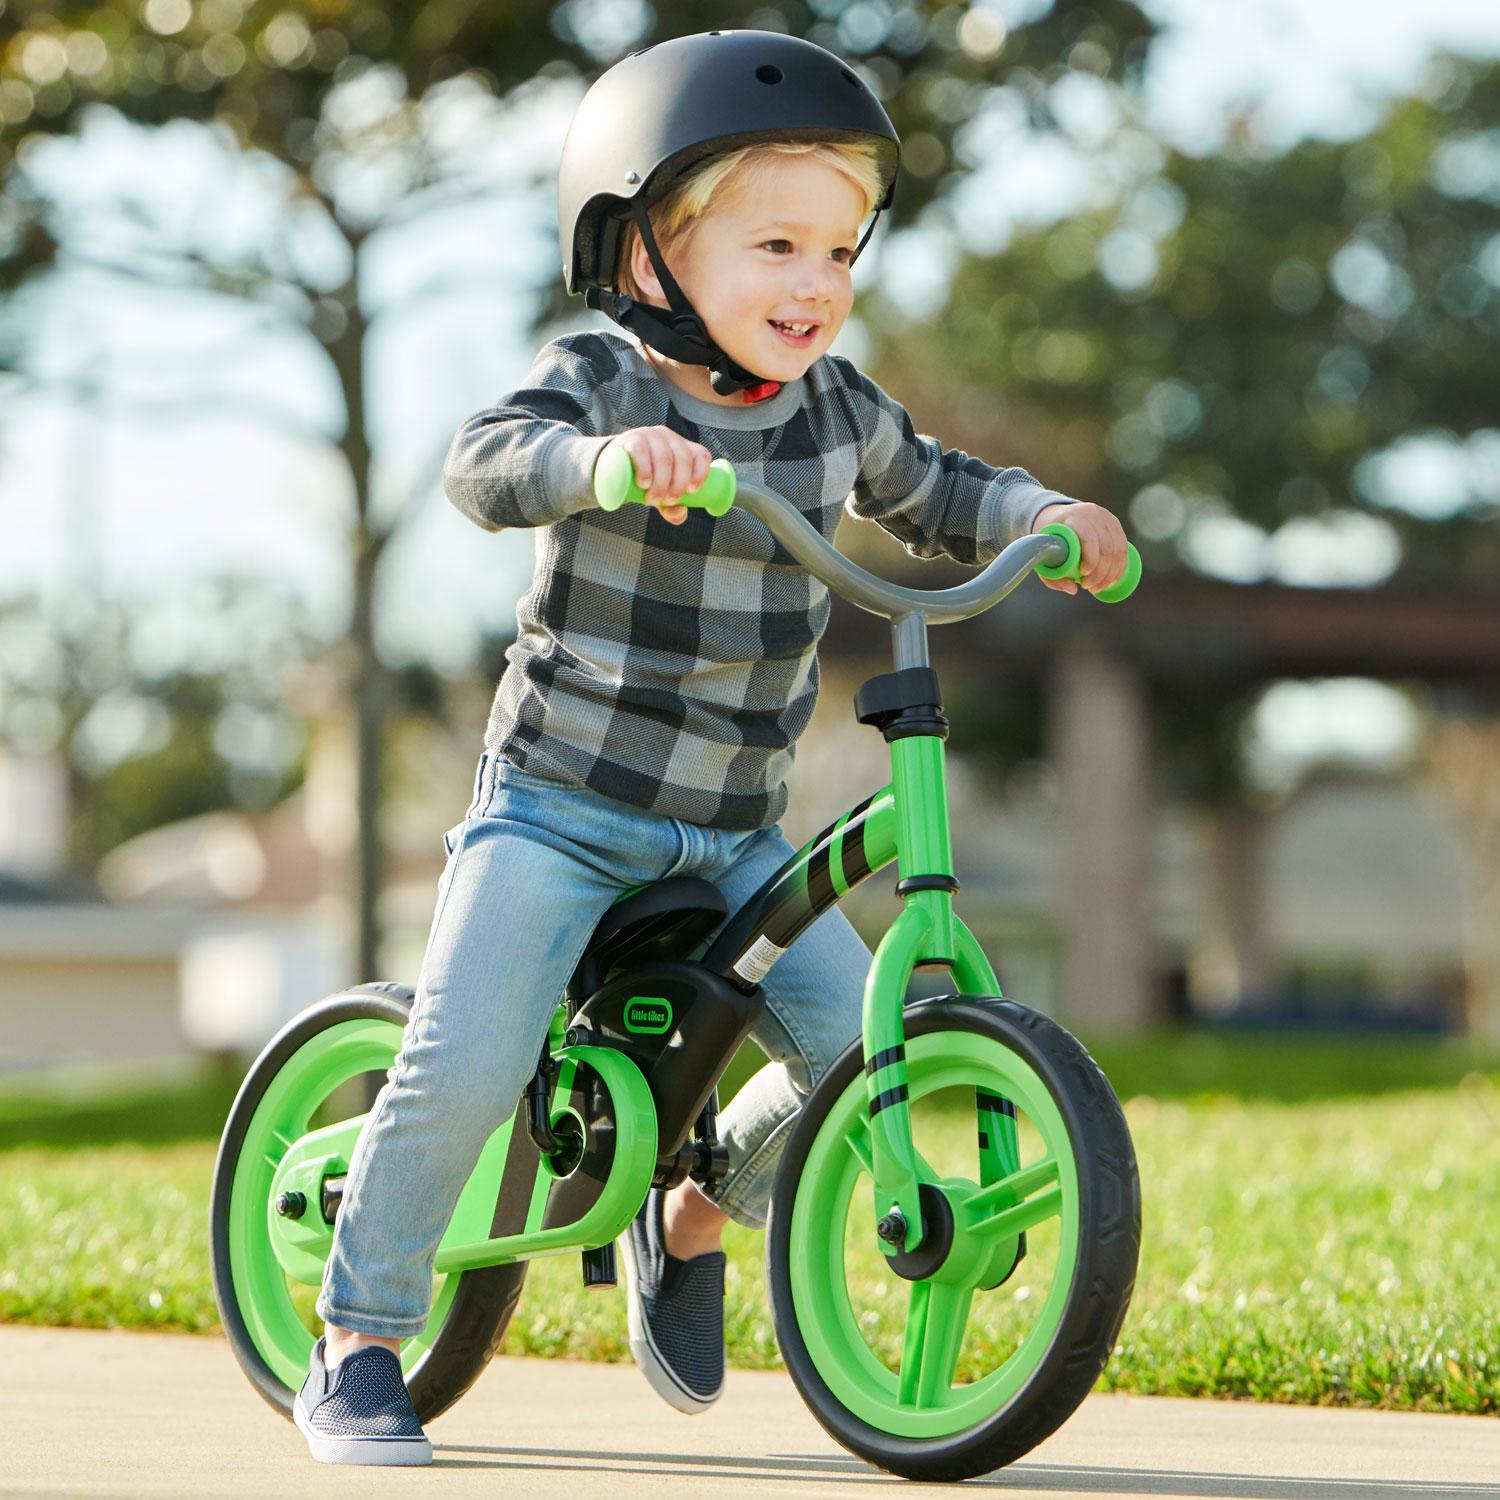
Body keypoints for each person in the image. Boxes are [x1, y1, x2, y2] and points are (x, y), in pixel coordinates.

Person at [293, 29, 1132, 1465]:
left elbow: (940, 491)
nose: (816, 284)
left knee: (842, 1057)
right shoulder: (609, 381)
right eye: (775, 246)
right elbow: (486, 457)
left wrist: (1043, 519)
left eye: (838, 252)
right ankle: (359, 1337)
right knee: (470, 1060)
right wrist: (598, 465)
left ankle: (686, 1218)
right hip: (562, 810)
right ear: (645, 261)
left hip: (734, 831)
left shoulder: (835, 412)